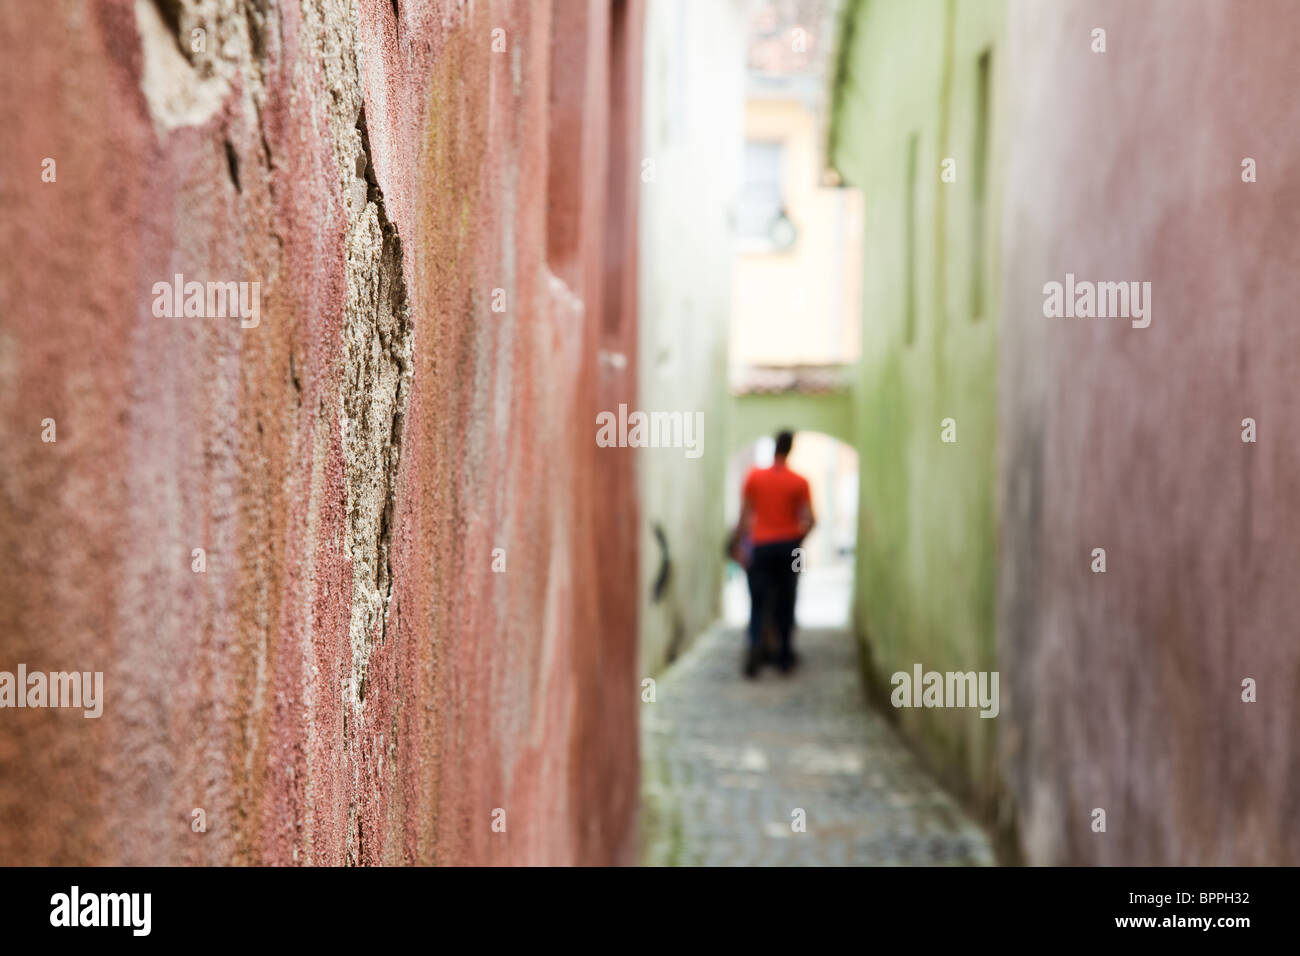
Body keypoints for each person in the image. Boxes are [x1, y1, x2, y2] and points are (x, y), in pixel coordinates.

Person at [738, 429, 815, 677]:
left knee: (757, 601)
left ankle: (754, 647)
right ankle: (784, 655)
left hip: (761, 545)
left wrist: (738, 544)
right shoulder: (800, 481)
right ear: (791, 448)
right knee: (787, 598)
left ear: (774, 447)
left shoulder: (754, 477)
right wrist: (797, 539)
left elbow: (744, 517)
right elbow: (812, 520)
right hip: (790, 548)